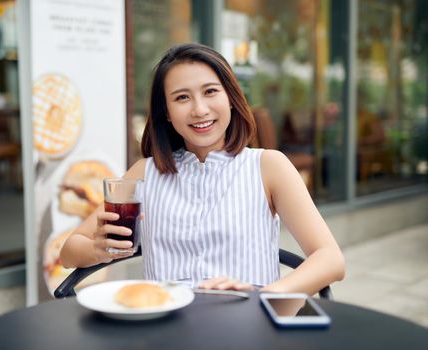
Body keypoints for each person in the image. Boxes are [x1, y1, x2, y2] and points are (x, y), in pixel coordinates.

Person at [60, 43, 345, 295]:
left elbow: (330, 259)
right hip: (167, 330)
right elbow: (69, 251)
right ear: (167, 114)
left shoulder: (268, 167)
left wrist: (267, 295)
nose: (199, 109)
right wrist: (98, 249)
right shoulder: (144, 173)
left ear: (231, 99)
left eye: (210, 92)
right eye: (182, 97)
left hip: (248, 328)